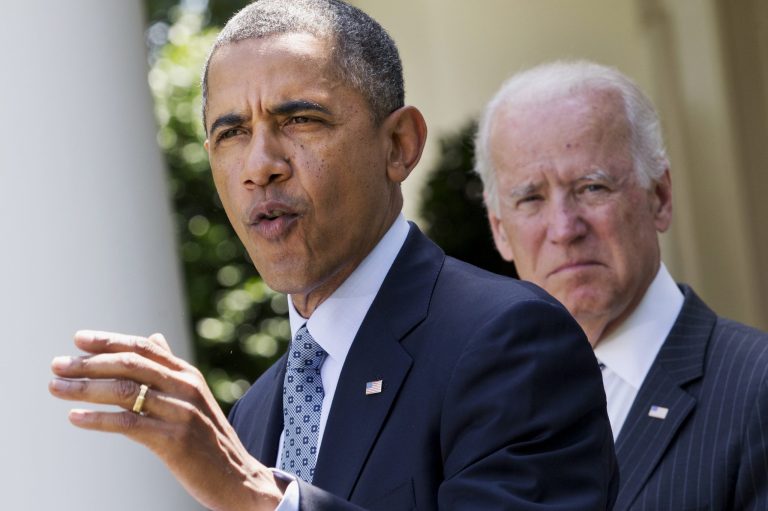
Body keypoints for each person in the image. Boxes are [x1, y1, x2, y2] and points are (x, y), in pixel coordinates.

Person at [49, 3, 618, 510]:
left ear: (398, 145)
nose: (260, 164)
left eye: (299, 120)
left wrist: (261, 500)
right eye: (231, 133)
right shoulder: (252, 416)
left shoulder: (511, 341)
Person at [474, 59, 768, 511]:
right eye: (531, 198)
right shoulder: (476, 404)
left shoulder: (756, 387)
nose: (564, 228)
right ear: (499, 231)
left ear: (660, 197)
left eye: (592, 188)